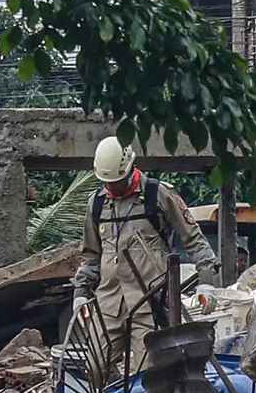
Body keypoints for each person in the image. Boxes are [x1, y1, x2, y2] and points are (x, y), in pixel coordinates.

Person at [72, 136, 218, 369]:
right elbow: (91, 255)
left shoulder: (158, 195)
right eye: (106, 183)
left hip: (150, 303)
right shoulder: (97, 204)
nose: (111, 188)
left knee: (147, 374)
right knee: (94, 367)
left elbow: (194, 240)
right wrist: (81, 292)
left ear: (130, 169)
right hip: (110, 303)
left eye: (117, 182)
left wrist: (206, 282)